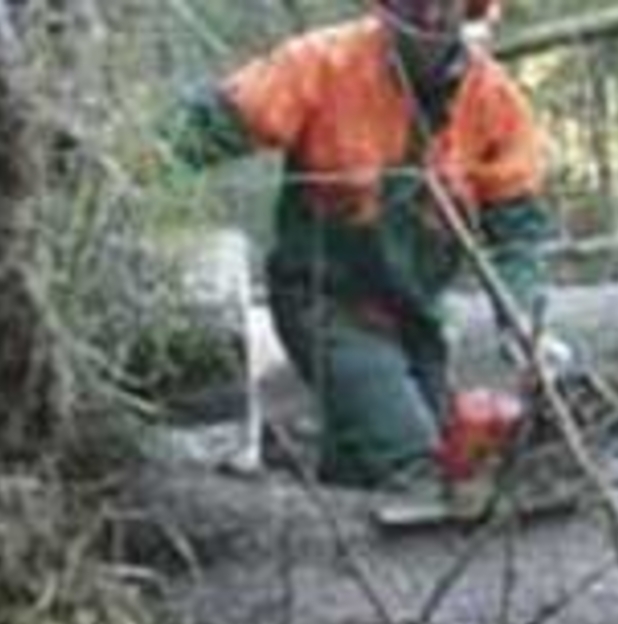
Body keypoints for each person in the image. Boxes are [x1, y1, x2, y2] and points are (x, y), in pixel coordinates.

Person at [164, 0, 555, 489]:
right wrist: (130, 162)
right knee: (413, 457)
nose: (431, 15)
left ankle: (329, 509)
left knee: (434, 449)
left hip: (417, 313)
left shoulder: (494, 101)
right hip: (325, 299)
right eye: (415, 3)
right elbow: (212, 124)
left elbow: (517, 229)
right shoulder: (321, 64)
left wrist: (523, 322)